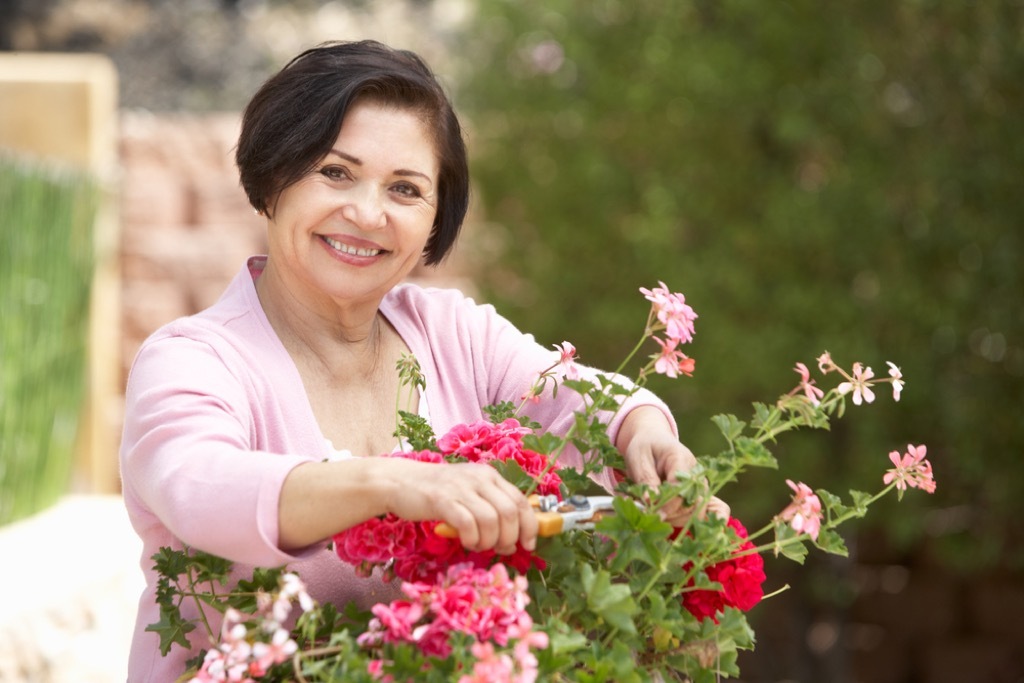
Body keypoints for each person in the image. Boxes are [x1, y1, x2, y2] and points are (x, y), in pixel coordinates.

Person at [120, 40, 714, 681]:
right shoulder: (192, 361)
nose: (367, 213)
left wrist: (644, 431)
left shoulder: (449, 330)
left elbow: (581, 397)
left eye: (405, 189)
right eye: (335, 172)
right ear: (272, 179)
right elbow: (201, 487)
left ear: (435, 220)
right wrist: (393, 484)